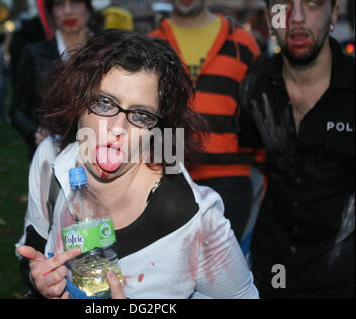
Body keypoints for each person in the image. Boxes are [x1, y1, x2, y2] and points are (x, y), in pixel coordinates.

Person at [15, 29, 259, 299]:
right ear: (79, 98)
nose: (118, 128)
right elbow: (31, 254)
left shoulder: (196, 219)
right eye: (105, 103)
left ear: (158, 128)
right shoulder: (51, 161)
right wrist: (39, 281)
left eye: (140, 115)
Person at [239, 0, 354, 298]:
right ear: (270, 17)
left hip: (343, 272)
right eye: (282, 6)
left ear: (334, 15)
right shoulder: (256, 85)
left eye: (313, 4)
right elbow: (256, 161)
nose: (296, 17)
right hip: (273, 268)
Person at [149, 0, 263, 243]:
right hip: (167, 176)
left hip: (231, 179)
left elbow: (260, 111)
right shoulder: (149, 45)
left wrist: (265, 175)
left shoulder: (244, 43)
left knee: (225, 274)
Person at [10, 0, 93, 160]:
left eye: (75, 2)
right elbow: (17, 110)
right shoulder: (34, 55)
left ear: (89, 7)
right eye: (59, 4)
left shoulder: (107, 52)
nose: (68, 11)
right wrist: (35, 131)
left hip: (100, 157)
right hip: (51, 158)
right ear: (50, 12)